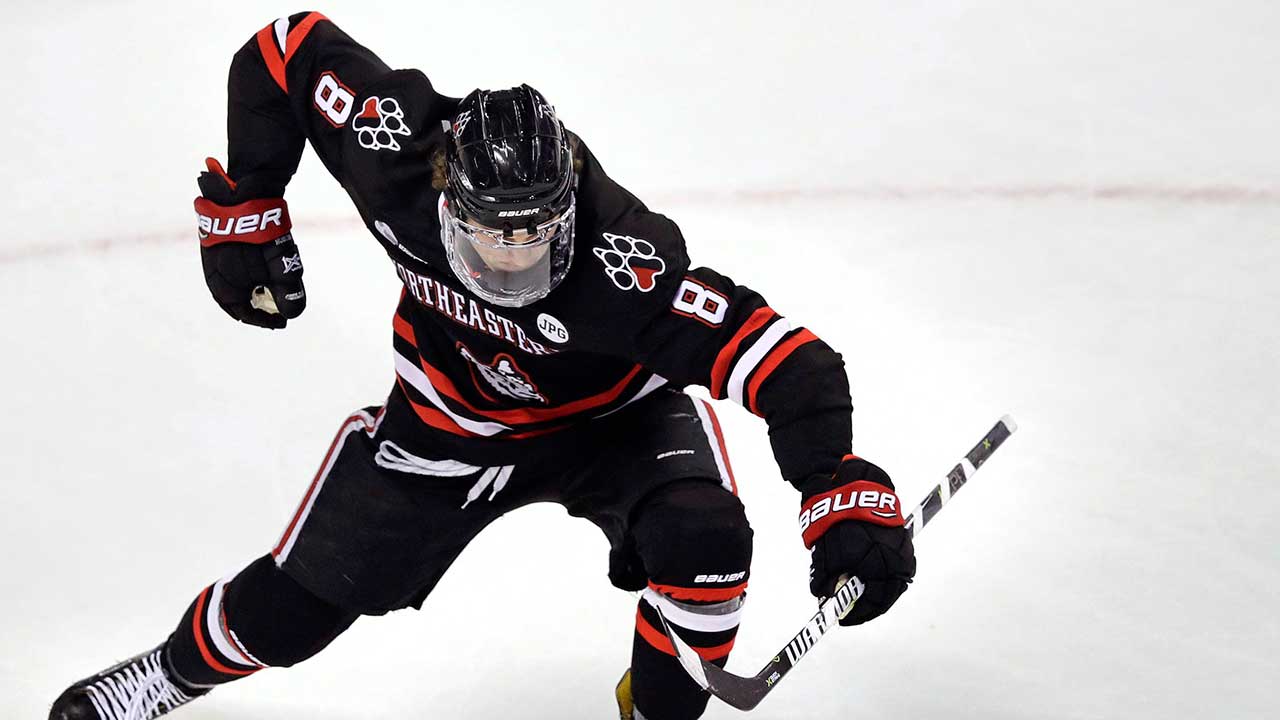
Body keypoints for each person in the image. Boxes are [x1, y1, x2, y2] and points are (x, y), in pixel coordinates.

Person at [49, 11, 916, 720]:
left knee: (705, 541)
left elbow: (787, 361)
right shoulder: (392, 146)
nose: (510, 261)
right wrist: (248, 201)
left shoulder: (628, 264)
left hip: (619, 424)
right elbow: (282, 50)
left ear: (569, 209)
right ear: (444, 194)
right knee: (298, 610)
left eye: (532, 235)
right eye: (488, 234)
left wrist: (835, 486)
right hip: (450, 426)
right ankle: (166, 676)